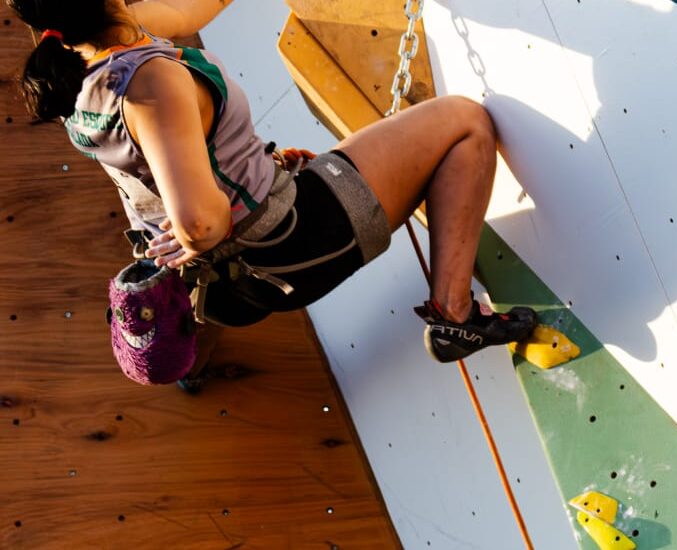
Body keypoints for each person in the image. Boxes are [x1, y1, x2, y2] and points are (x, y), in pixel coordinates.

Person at [8, 0, 537, 368]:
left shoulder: (78, 71)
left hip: (233, 278)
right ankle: (456, 316)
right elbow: (200, 220)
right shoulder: (150, 81)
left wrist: (249, 169)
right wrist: (212, 213)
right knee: (463, 121)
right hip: (291, 240)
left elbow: (194, 15)